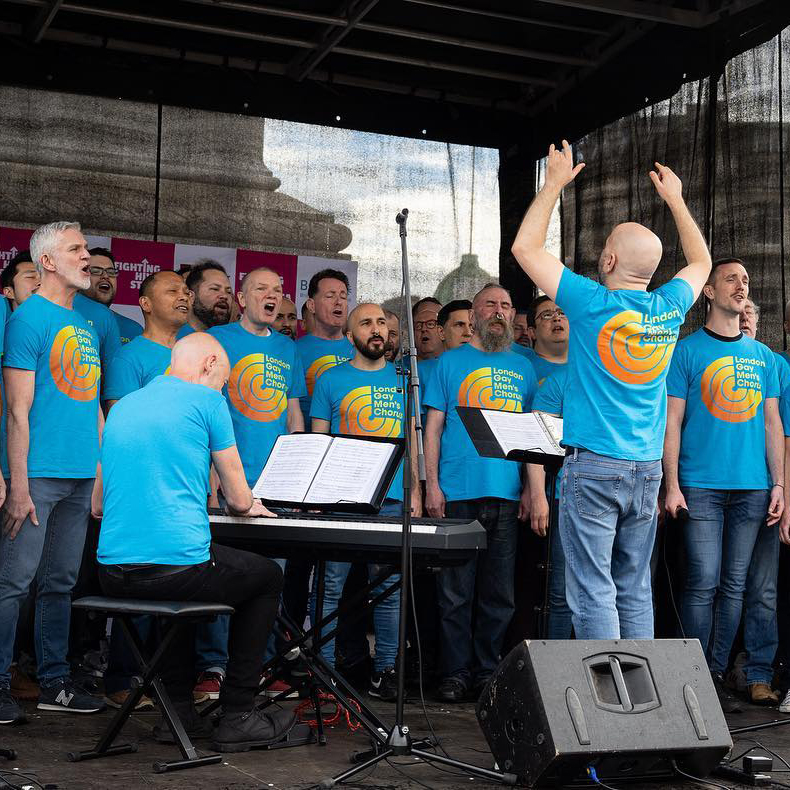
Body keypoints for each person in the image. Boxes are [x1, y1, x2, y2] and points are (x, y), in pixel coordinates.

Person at [511, 141, 711, 640]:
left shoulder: (590, 300)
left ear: (608, 258)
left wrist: (554, 183)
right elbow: (702, 263)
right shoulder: (669, 307)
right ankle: (638, 704)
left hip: (595, 464)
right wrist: (678, 202)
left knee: (592, 588)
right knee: (634, 586)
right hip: (645, 468)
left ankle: (611, 702)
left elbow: (525, 249)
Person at [95, 332, 295, 752]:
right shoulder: (207, 402)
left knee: (184, 597)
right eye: (222, 379)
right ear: (208, 365)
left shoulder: (125, 406)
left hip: (112, 572)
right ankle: (239, 712)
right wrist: (251, 504)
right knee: (265, 576)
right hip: (176, 571)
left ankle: (177, 714)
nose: (222, 388)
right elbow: (238, 499)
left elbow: (97, 503)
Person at [664, 260, 783, 710]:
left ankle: (712, 675)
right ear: (709, 292)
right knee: (702, 582)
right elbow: (671, 422)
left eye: (746, 280)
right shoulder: (685, 351)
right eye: (731, 278)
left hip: (753, 488)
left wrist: (779, 485)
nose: (742, 285)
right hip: (700, 486)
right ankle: (689, 680)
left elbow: (772, 424)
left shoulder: (764, 357)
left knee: (734, 586)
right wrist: (670, 483)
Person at [0, 221, 105, 725]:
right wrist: (17, 485)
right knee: (14, 582)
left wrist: (101, 472)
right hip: (38, 475)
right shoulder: (28, 319)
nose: (87, 256)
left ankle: (54, 682)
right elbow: (16, 411)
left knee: (60, 583)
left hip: (81, 475)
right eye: (76, 249)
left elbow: (93, 408)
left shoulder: (85, 324)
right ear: (47, 262)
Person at [424, 283, 536, 702]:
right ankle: (454, 674)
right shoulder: (448, 363)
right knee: (454, 594)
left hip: (507, 495)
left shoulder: (525, 368)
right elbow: (432, 430)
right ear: (472, 315)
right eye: (490, 303)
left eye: (506, 305)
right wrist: (431, 485)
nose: (499, 311)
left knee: (498, 596)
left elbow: (532, 435)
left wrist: (530, 489)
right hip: (456, 493)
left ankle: (488, 673)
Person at [310, 303, 421, 700]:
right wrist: (317, 497)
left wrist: (417, 494)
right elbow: (318, 441)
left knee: (390, 589)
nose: (376, 330)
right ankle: (321, 669)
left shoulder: (406, 380)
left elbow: (413, 442)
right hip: (340, 497)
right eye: (366, 323)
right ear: (350, 334)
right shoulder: (330, 380)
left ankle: (386, 670)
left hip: (392, 500)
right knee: (329, 587)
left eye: (381, 323)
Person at [210, 268, 305, 491]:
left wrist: (296, 472)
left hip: (276, 480)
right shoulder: (216, 337)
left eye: (277, 291)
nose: (271, 295)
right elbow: (207, 411)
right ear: (241, 299)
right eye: (261, 289)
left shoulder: (288, 347)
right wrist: (212, 481)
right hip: (229, 477)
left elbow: (293, 414)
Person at [103, 270, 190, 408]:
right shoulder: (128, 357)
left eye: (187, 293)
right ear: (145, 303)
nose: (184, 297)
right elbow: (121, 421)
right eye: (173, 291)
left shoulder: (194, 354)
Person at [295, 269, 354, 426]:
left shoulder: (358, 351)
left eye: (343, 296)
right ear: (311, 305)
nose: (338, 302)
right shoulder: (294, 350)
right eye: (330, 296)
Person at [85, 248, 143, 345]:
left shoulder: (133, 329)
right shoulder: (65, 318)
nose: (105, 276)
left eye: (111, 272)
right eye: (96, 271)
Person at [517, 295, 569, 385]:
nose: (557, 318)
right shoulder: (519, 364)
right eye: (547, 315)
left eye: (562, 313)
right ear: (532, 332)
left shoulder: (590, 366)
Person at [178, 259, 233, 337]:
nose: (224, 296)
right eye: (215, 289)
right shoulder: (173, 340)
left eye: (229, 292)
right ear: (191, 296)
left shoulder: (231, 341)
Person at [413, 297, 444, 361]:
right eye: (419, 325)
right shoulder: (401, 367)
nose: (424, 329)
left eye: (431, 324)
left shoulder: (458, 365)